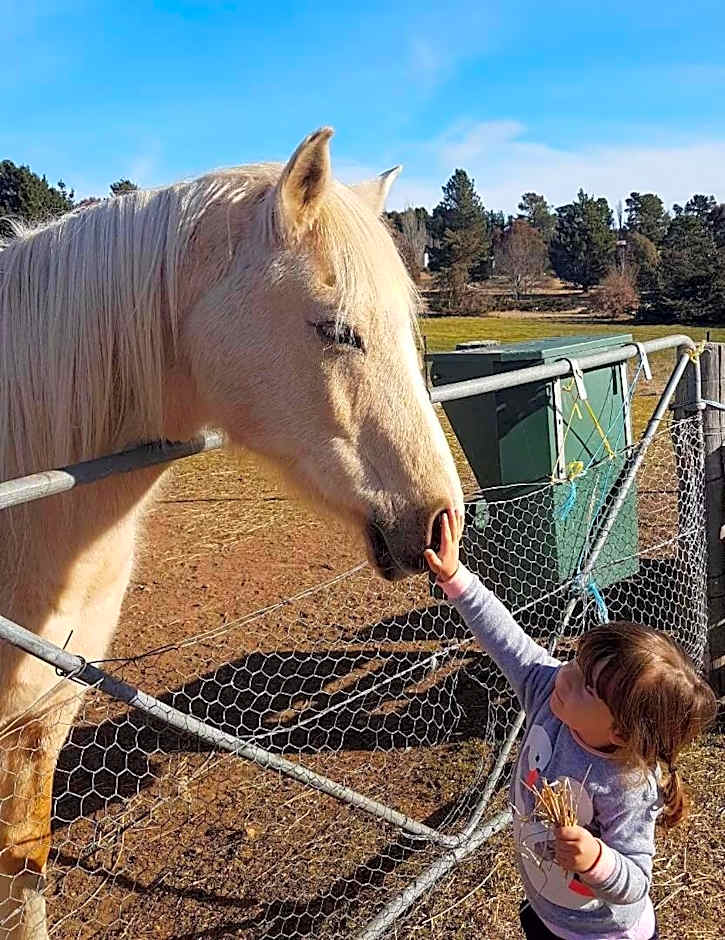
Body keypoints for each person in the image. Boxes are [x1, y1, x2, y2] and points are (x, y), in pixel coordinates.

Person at [424, 510, 717, 940]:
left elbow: (637, 879)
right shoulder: (549, 691)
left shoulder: (627, 784)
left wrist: (596, 857)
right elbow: (506, 638)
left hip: (601, 934)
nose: (564, 674)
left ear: (619, 732)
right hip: (549, 912)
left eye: (584, 685)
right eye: (576, 662)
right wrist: (456, 579)